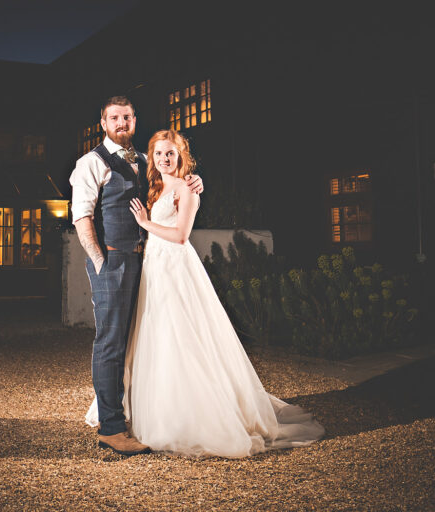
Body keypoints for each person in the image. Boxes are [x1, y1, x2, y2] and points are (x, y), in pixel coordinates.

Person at [85, 129, 325, 458]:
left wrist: (145, 223)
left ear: (182, 156)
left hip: (175, 268)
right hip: (153, 269)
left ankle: (189, 416)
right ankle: (147, 409)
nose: (163, 159)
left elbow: (181, 235)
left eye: (170, 154)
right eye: (158, 154)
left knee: (181, 336)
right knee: (153, 335)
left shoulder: (186, 188)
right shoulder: (154, 185)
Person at [70, 97, 203, 456]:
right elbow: (82, 218)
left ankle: (131, 415)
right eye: (114, 118)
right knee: (110, 343)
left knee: (134, 343)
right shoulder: (90, 163)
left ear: (134, 120)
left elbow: (171, 185)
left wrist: (194, 181)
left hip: (144, 262)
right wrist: (100, 263)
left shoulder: (145, 161)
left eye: (127, 117)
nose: (122, 123)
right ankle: (112, 429)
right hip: (112, 262)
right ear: (103, 123)